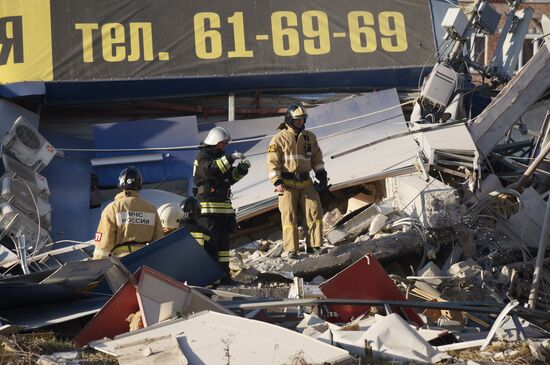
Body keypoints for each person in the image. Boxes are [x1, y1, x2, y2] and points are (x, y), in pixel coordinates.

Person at [267, 105, 328, 258]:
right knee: (289, 216)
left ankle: (314, 246)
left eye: (303, 120)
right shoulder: (278, 139)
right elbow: (272, 163)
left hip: (306, 182)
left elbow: (316, 158)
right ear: (289, 120)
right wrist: (277, 181)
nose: (301, 122)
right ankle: (291, 249)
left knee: (315, 211)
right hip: (287, 185)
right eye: (298, 120)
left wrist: (321, 173)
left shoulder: (310, 137)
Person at [193, 126, 250, 278]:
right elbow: (211, 170)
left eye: (225, 144)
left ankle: (224, 277)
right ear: (214, 142)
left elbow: (228, 179)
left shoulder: (221, 159)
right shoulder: (202, 158)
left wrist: (241, 171)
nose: (224, 146)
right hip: (208, 211)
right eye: (222, 143)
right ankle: (209, 278)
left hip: (223, 211)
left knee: (224, 248)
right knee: (210, 245)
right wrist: (230, 158)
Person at [92, 166, 164, 259]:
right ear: (139, 184)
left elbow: (103, 246)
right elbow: (159, 242)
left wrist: (97, 267)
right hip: (145, 261)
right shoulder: (151, 208)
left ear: (120, 183)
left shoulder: (112, 208)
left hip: (121, 263)